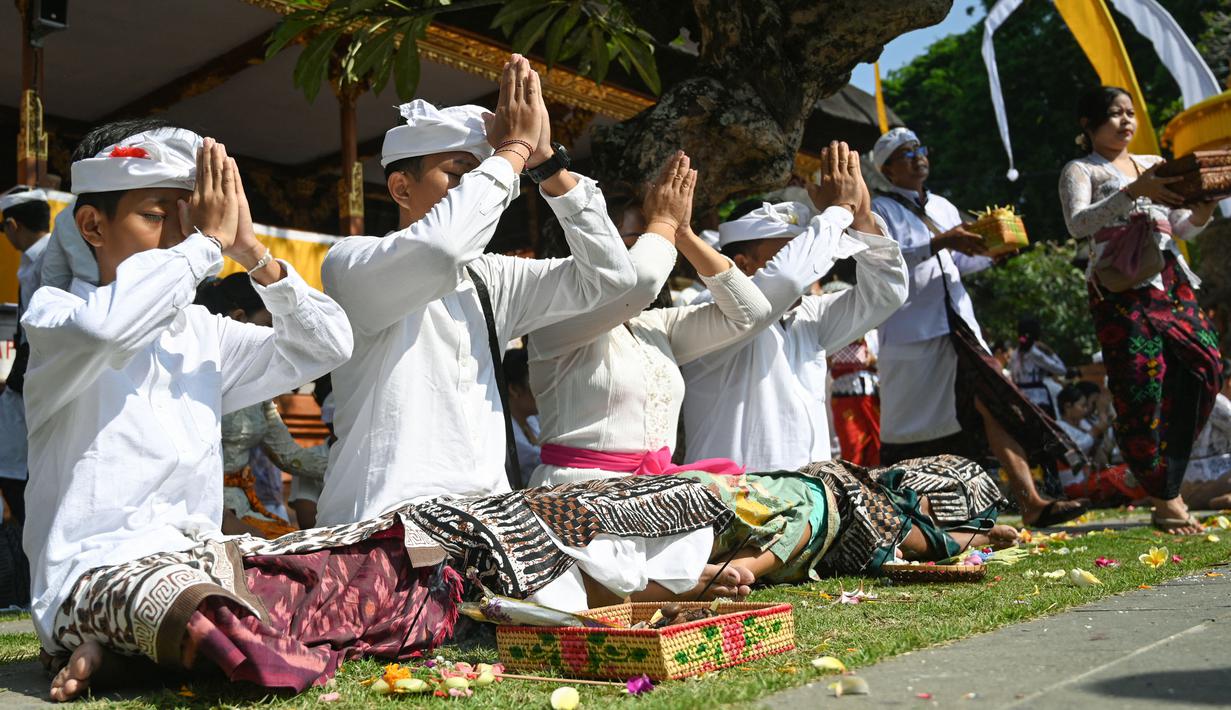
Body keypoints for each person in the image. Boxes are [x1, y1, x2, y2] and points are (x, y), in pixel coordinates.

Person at [17, 122, 477, 703]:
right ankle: (151, 639)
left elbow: (328, 345)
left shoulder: (203, 333)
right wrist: (204, 246)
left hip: (206, 561)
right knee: (195, 605)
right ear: (92, 226)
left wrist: (253, 254)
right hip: (96, 571)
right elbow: (111, 330)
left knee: (392, 570)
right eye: (159, 216)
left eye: (189, 218)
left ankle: (129, 657)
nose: (179, 236)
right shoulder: (57, 316)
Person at [316, 55, 638, 525]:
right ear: (401, 189)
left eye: (481, 176)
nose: (478, 190)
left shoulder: (491, 277)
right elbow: (442, 248)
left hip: (488, 517)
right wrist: (513, 151)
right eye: (457, 173)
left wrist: (548, 165)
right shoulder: (351, 261)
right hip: (386, 520)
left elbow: (612, 278)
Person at [871, 127, 1087, 528]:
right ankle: (911, 514)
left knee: (997, 405)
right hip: (914, 332)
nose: (918, 156)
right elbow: (881, 264)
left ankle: (1032, 501)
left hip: (961, 327)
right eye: (906, 153)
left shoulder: (943, 206)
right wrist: (939, 244)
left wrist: (994, 254)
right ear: (886, 168)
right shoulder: (879, 212)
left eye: (921, 148)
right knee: (921, 429)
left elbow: (960, 262)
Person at [680, 141, 910, 471]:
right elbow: (787, 278)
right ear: (744, 265)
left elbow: (889, 292)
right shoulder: (711, 308)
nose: (809, 263)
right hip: (735, 502)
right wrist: (840, 210)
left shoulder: (809, 316)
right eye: (789, 251)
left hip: (809, 503)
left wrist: (861, 218)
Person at [1058, 86, 1223, 533]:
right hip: (1118, 291)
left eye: (1130, 113)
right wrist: (1133, 192)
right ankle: (1165, 496)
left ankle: (1157, 469)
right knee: (1138, 391)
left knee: (1206, 366)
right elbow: (1077, 225)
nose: (1126, 122)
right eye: (1114, 114)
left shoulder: (1153, 164)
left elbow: (1181, 228)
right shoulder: (1081, 169)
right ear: (1088, 124)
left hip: (1171, 281)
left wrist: (1204, 212)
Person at [194, 274, 330, 537]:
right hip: (205, 513)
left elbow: (290, 456)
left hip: (244, 505)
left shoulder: (258, 391)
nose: (276, 337)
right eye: (269, 324)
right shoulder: (192, 382)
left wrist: (352, 460)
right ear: (238, 319)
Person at [0, 186, 50, 527]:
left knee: (17, 466)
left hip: (35, 381)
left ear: (13, 224)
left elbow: (39, 333)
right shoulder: (36, 258)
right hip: (28, 378)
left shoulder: (46, 260)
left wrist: (18, 382)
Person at [1010, 316, 1068, 417]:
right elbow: (1062, 370)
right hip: (1039, 402)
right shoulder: (1036, 353)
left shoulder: (1015, 354)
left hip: (1019, 399)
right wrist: (1050, 351)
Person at [502, 347, 542, 484]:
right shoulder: (503, 432)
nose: (541, 391)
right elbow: (537, 461)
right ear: (514, 389)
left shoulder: (532, 421)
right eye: (535, 384)